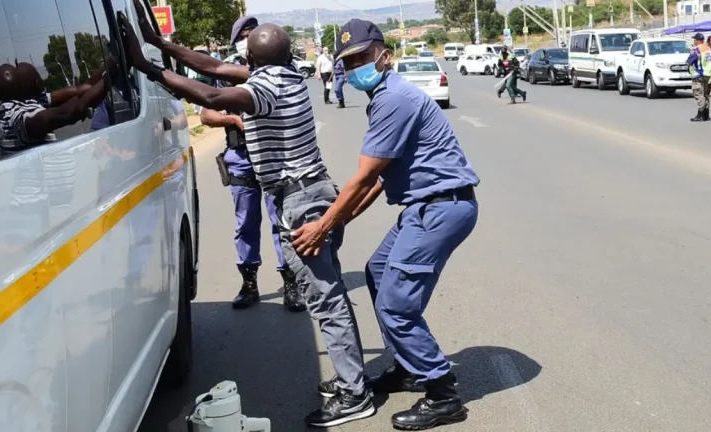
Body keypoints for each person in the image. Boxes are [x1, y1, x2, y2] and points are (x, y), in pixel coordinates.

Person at [119, 6, 372, 427]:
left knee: (327, 302)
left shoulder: (264, 87)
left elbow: (211, 95)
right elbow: (215, 67)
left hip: (301, 202)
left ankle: (355, 393)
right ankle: (352, 380)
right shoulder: (287, 73)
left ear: (252, 58)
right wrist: (160, 43)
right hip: (313, 193)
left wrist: (149, 67)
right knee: (329, 297)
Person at [291, 19, 480, 431]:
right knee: (378, 271)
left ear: (384, 56)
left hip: (441, 209)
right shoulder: (383, 97)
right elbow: (379, 179)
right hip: (426, 207)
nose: (354, 66)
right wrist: (340, 220)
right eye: (348, 61)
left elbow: (364, 177)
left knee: (397, 306)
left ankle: (444, 395)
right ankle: (408, 368)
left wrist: (323, 225)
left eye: (362, 57)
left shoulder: (394, 98)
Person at [201, 15, 305, 311]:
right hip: (242, 157)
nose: (249, 40)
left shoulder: (279, 67)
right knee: (245, 222)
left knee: (282, 221)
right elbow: (206, 114)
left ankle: (291, 283)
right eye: (245, 36)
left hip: (274, 156)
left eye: (253, 34)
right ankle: (249, 283)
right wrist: (233, 120)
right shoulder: (226, 70)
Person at [687, 33, 711, 122]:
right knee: (706, 95)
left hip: (698, 75)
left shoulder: (696, 49)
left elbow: (689, 61)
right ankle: (706, 115)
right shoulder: (708, 49)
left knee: (699, 94)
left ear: (697, 41)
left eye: (694, 40)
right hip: (708, 74)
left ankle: (701, 115)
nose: (694, 41)